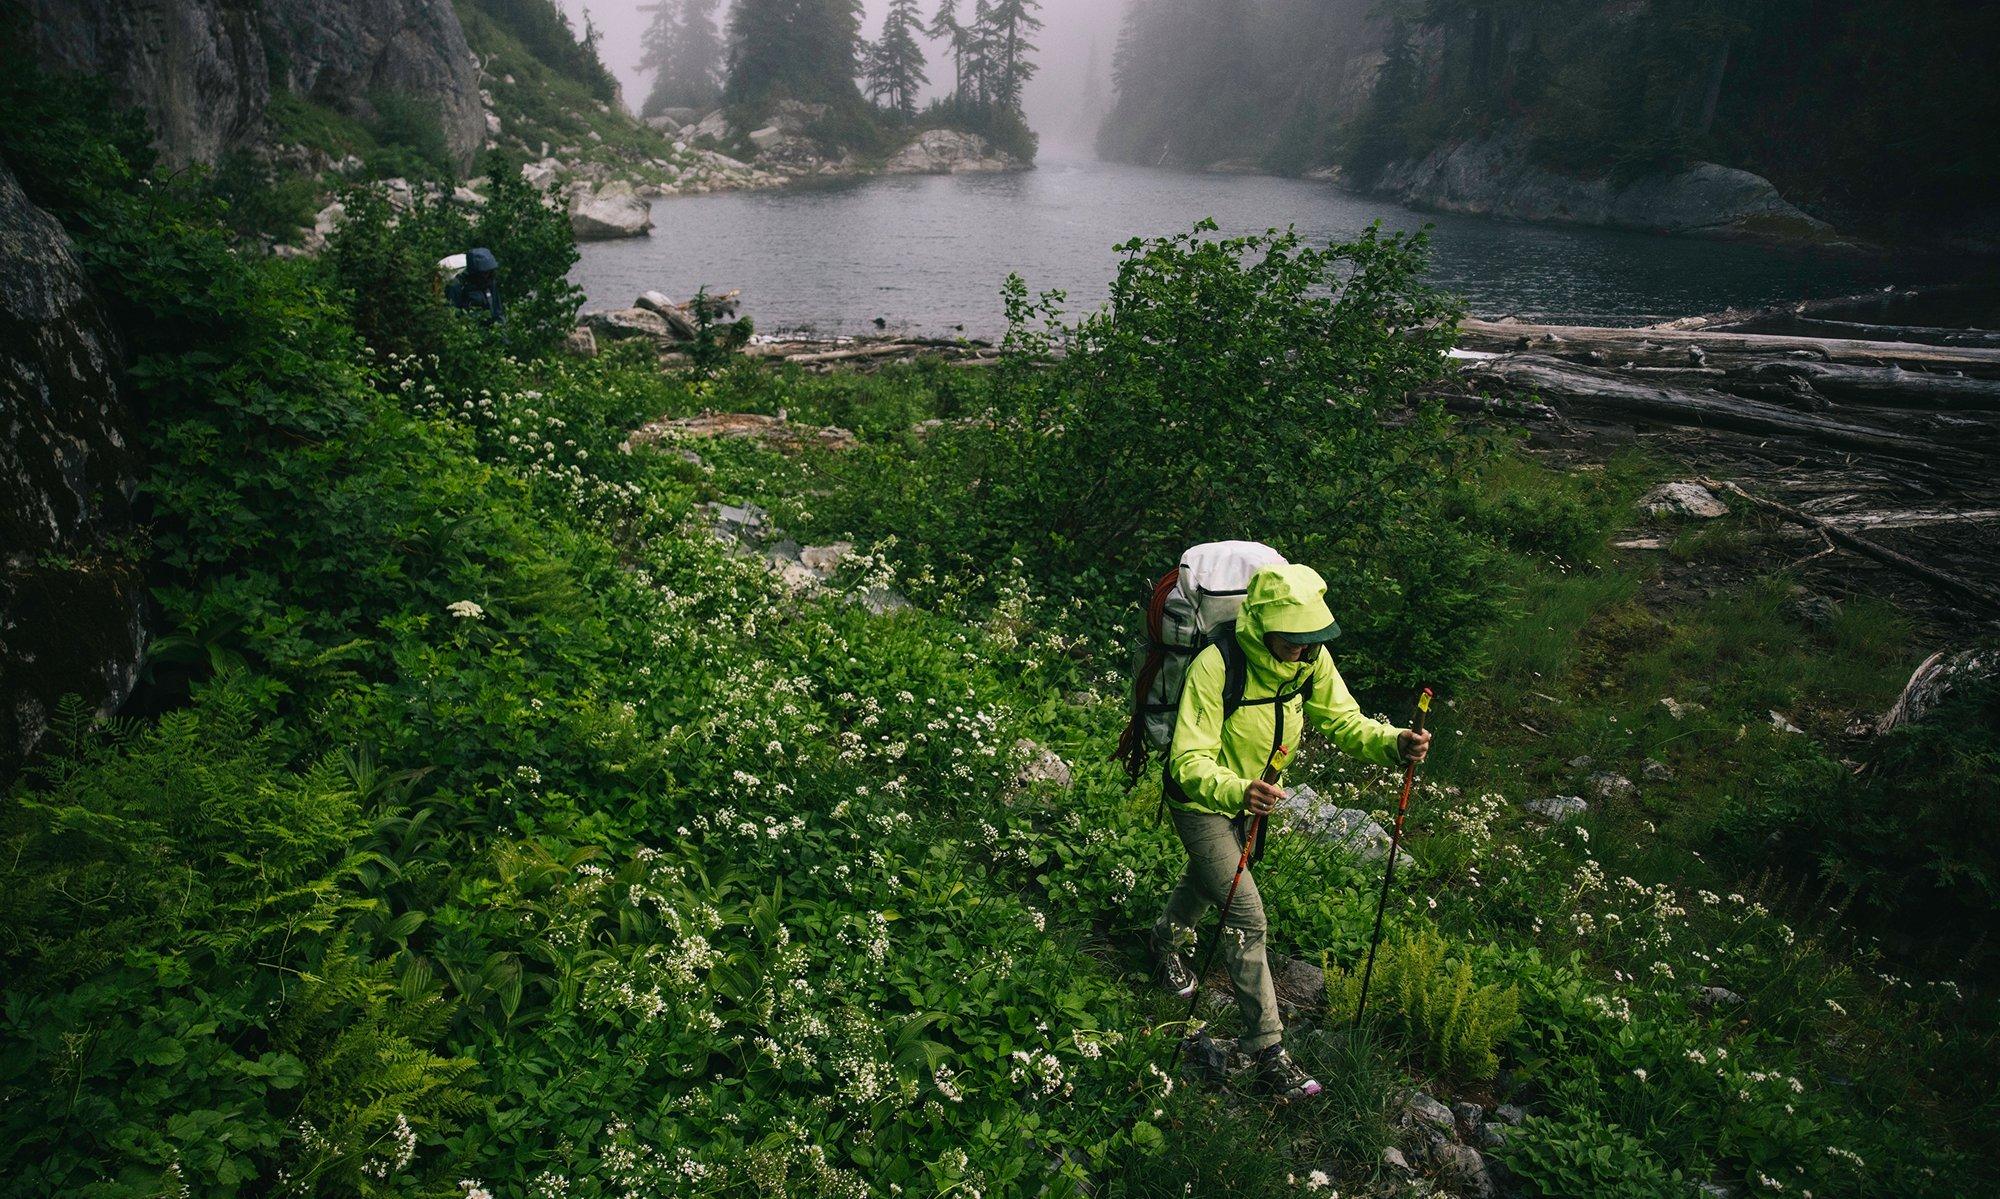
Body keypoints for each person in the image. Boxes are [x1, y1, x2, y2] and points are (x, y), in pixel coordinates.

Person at [1153, 562, 1432, 1101]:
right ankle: (1267, 1050)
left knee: (1210, 879)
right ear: (1261, 626)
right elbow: (1187, 760)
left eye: (1312, 641)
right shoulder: (1217, 665)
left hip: (1253, 803)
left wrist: (1395, 741)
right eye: (1294, 641)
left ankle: (1163, 940)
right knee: (1244, 912)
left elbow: (1344, 720)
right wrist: (1239, 791)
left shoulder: (1309, 662)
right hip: (1203, 800)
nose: (1304, 651)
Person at [444, 246, 505, 325]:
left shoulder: (490, 283)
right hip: (468, 331)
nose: (487, 275)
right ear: (475, 272)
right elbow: (452, 316)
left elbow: (498, 312)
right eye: (484, 273)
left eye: (489, 272)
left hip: (489, 331)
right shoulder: (456, 286)